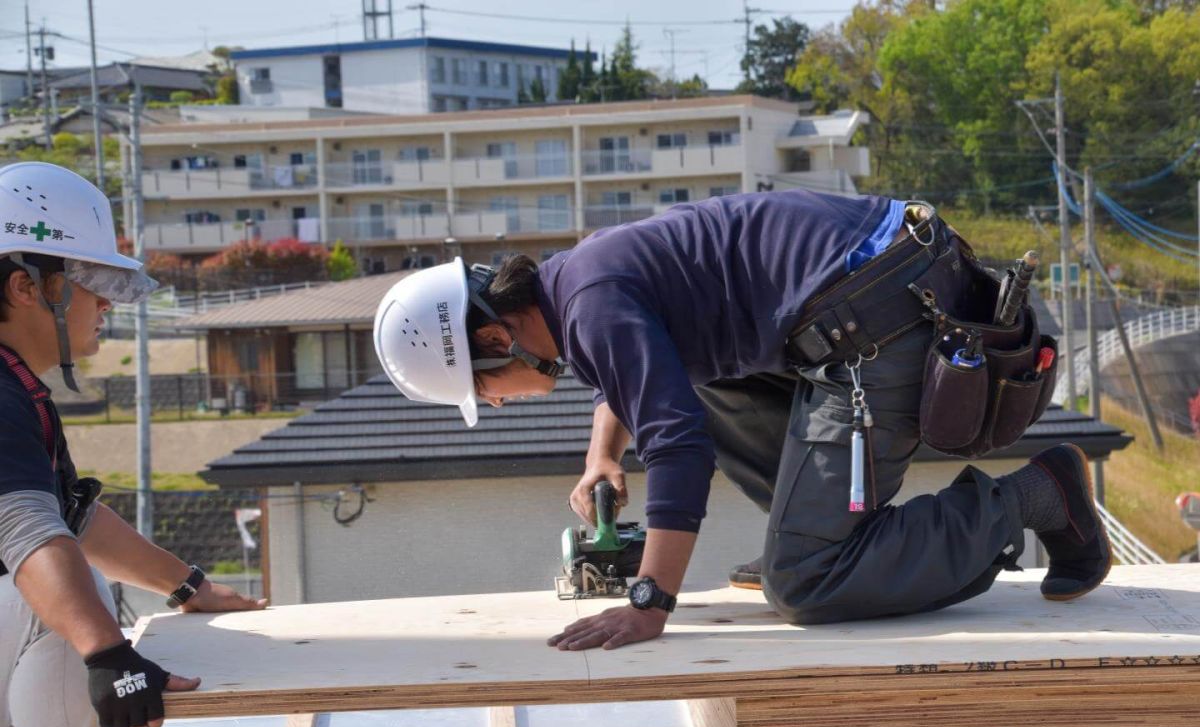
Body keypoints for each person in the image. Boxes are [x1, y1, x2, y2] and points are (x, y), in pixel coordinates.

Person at [373, 188, 1111, 652]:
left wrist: (651, 602)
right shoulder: (576, 284)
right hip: (873, 285)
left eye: (487, 388)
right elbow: (636, 376)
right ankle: (814, 528)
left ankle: (1035, 496)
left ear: (495, 338)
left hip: (881, 318)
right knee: (693, 385)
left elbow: (679, 448)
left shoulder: (588, 307)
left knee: (808, 584)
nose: (498, 402)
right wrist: (603, 454)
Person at [0, 162, 266, 727]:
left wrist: (188, 586)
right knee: (70, 597)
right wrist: (108, 656)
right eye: (92, 282)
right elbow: (30, 533)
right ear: (26, 288)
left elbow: (72, 517)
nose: (107, 302)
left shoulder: (18, 389)